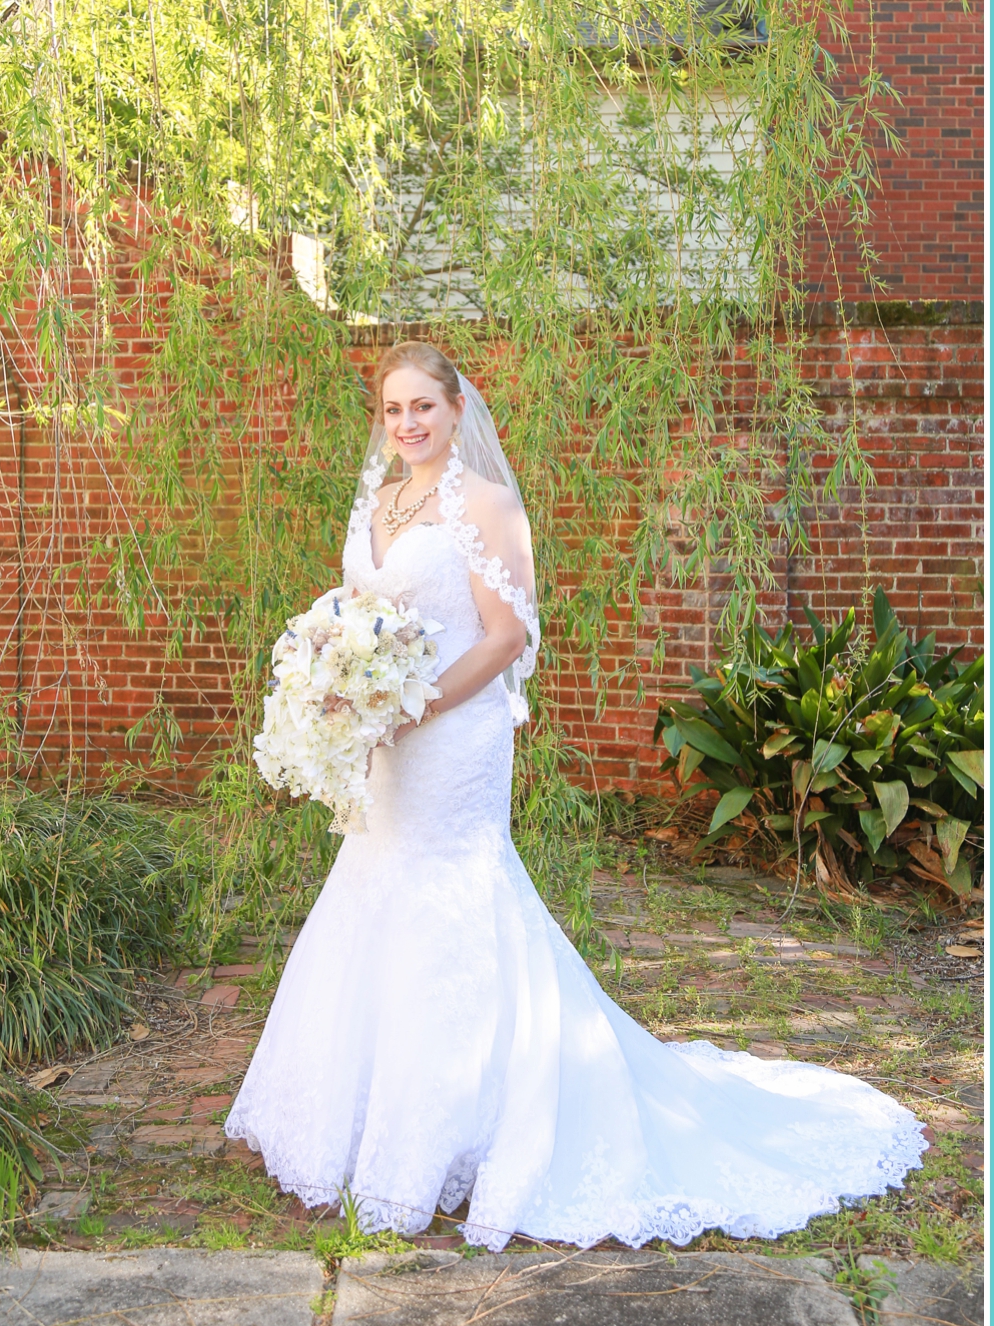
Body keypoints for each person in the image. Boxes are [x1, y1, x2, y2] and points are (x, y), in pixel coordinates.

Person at [225, 342, 925, 1250]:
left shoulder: (486, 504)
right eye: (393, 409)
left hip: (452, 732)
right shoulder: (379, 500)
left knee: (454, 902)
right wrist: (339, 683)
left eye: (423, 408)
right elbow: (360, 614)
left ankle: (453, 1133)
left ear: (455, 409)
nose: (407, 424)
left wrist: (415, 703)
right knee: (375, 886)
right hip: (385, 739)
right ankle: (355, 1121)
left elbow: (508, 635)